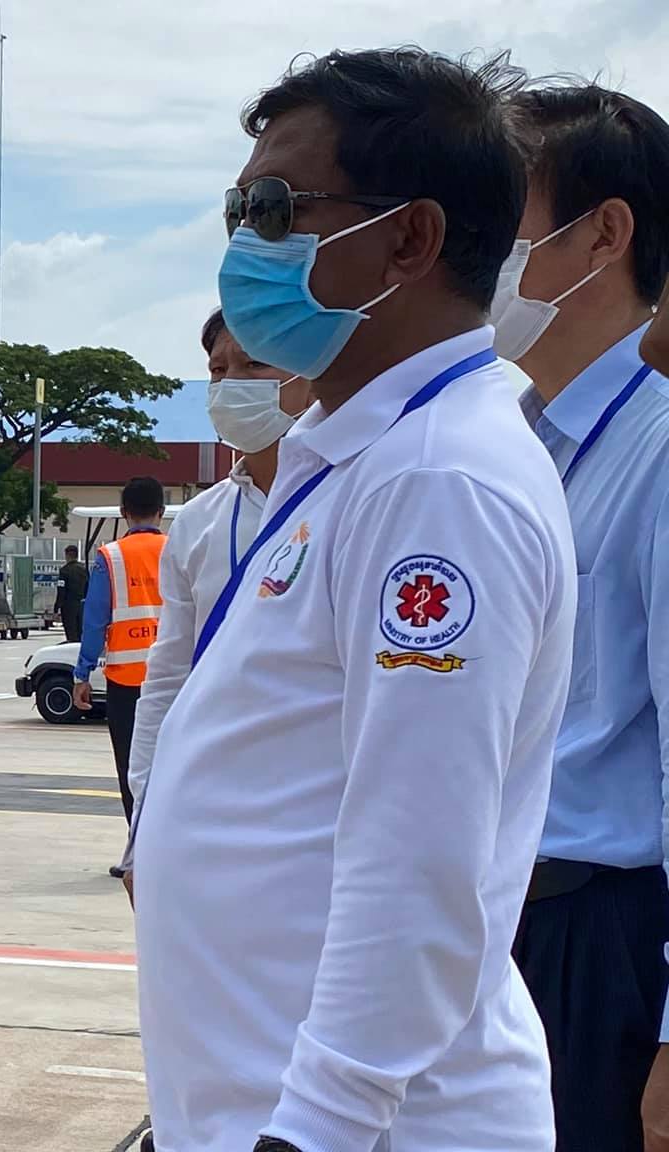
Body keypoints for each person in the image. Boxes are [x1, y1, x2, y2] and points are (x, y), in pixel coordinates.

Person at [137, 49, 575, 1151]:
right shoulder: (358, 456)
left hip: (360, 1127)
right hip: (264, 1105)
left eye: (275, 210)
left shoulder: (438, 482)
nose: (242, 247)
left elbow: (417, 858)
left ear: (409, 238)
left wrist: (317, 1127)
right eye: (236, 211)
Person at [504, 83, 669, 1152]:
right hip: (496, 923)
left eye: (496, 215)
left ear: (603, 234)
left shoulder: (656, 450)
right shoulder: (512, 443)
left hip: (598, 937)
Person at [118, 310, 311, 892]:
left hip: (316, 813)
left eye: (253, 365)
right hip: (215, 807)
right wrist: (143, 825)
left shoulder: (356, 494)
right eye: (218, 370)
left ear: (309, 369)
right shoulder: (200, 522)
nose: (231, 385)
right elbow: (167, 680)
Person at [71, 476, 166, 820]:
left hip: (126, 682)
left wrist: (82, 674)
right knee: (173, 765)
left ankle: (136, 842)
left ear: (124, 512)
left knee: (131, 768)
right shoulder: (179, 551)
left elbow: (95, 622)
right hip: (173, 678)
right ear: (161, 512)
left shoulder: (110, 557)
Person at [55, 545, 88, 642]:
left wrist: (56, 608)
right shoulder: (84, 570)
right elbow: (88, 587)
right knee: (81, 632)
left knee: (71, 633)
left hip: (68, 606)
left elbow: (61, 590)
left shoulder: (64, 571)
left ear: (67, 555)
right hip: (82, 605)